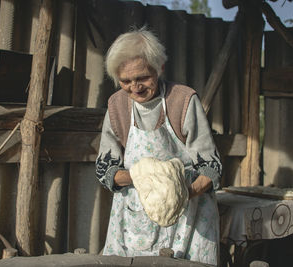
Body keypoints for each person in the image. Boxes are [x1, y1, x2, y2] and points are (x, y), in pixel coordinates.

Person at [95, 27, 222, 266]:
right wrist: (145, 177)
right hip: (135, 221)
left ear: (159, 68)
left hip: (188, 218)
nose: (135, 87)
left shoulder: (183, 100)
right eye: (125, 81)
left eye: (142, 77)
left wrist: (179, 193)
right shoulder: (116, 106)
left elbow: (211, 167)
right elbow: (105, 170)